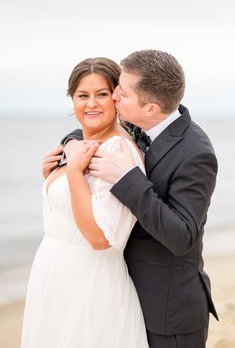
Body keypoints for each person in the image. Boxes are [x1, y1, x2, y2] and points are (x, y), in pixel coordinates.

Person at [44, 49, 219, 348]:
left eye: (120, 94)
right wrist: (69, 146)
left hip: (168, 312)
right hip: (119, 292)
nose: (112, 98)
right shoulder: (139, 122)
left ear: (150, 108)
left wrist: (129, 180)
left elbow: (182, 236)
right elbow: (93, 124)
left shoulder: (196, 153)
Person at [21, 57, 149, 348]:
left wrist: (75, 173)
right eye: (83, 95)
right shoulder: (77, 145)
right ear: (72, 100)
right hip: (56, 277)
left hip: (90, 283)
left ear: (116, 98)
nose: (91, 104)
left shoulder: (117, 150)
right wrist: (56, 175)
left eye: (102, 94)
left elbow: (100, 238)